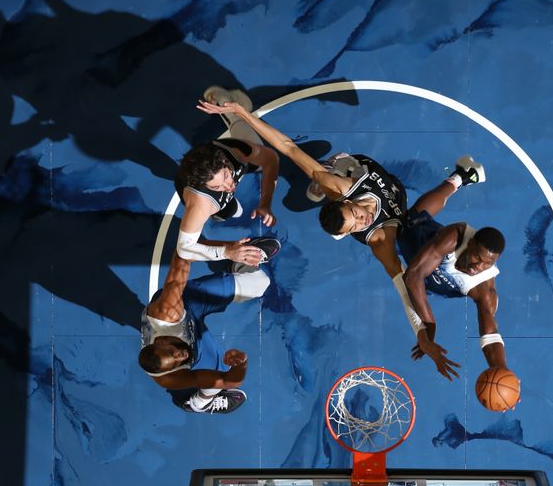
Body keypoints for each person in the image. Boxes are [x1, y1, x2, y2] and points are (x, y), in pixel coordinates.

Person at [195, 97, 489, 369]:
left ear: (347, 202)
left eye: (357, 215)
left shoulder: (342, 189)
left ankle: (332, 165)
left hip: (358, 172)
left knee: (327, 176)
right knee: (414, 221)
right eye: (357, 225)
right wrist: (423, 333)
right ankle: (460, 177)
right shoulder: (379, 240)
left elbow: (288, 148)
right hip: (395, 208)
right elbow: (403, 289)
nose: (364, 219)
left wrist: (242, 112)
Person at [138, 238, 279, 413]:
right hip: (193, 340)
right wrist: (240, 364)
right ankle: (200, 403)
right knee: (215, 378)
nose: (180, 356)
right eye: (176, 362)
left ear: (161, 343)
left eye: (172, 353)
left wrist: (229, 249)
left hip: (185, 306)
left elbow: (183, 254)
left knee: (260, 283)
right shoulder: (170, 377)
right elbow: (228, 381)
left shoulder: (167, 311)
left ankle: (241, 259)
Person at [399, 179, 515, 390]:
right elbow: (412, 276)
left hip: (432, 278)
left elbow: (489, 336)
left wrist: (503, 375)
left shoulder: (484, 288)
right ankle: (459, 178)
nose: (478, 267)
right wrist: (429, 329)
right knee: (413, 216)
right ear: (470, 244)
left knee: (426, 286)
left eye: (486, 264)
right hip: (416, 240)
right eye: (476, 258)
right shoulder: (453, 237)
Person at [175, 88, 280, 267]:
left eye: (225, 176)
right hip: (203, 196)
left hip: (231, 155)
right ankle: (221, 208)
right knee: (228, 211)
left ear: (224, 162)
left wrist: (265, 202)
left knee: (257, 156)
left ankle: (228, 107)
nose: (228, 186)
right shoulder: (201, 203)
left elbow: (271, 159)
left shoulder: (237, 151)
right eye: (217, 187)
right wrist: (226, 252)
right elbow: (184, 248)